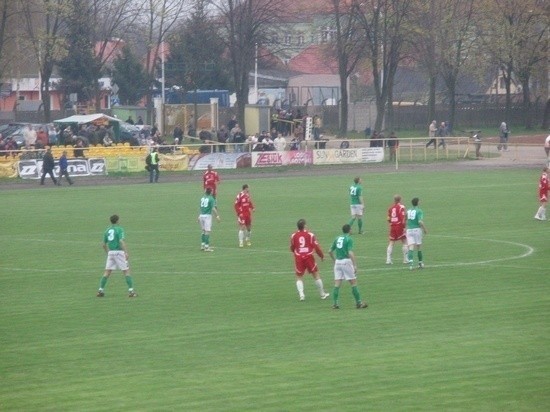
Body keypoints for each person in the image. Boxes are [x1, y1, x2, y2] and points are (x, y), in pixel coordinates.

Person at [329, 224, 368, 309]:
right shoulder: (348, 239)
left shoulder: (337, 238)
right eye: (351, 229)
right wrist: (354, 265)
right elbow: (350, 253)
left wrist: (334, 260)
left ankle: (335, 304)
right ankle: (359, 303)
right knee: (353, 283)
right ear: (349, 230)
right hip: (346, 262)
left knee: (337, 284)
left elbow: (330, 251)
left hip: (338, 263)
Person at [96, 215, 137, 298]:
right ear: (117, 221)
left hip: (111, 252)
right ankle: (131, 292)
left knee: (107, 272)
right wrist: (126, 252)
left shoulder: (107, 230)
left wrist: (108, 253)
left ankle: (100, 290)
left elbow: (103, 244)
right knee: (126, 271)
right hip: (119, 252)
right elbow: (121, 241)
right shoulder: (119, 229)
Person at [290, 219, 330, 301]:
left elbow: (292, 247)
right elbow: (317, 247)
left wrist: (296, 251)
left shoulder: (294, 235)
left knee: (299, 277)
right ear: (304, 226)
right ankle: (322, 294)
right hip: (308, 257)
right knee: (316, 275)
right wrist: (321, 256)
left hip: (299, 257)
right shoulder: (310, 235)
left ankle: (301, 295)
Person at [406, 197, 427, 270]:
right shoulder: (419, 211)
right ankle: (420, 263)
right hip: (417, 230)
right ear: (417, 202)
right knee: (419, 247)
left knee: (411, 247)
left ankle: (411, 265)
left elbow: (405, 219)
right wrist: (425, 229)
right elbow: (420, 222)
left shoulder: (408, 211)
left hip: (409, 230)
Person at [386, 195, 408, 265]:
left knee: (391, 243)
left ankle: (388, 260)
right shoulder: (401, 207)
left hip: (393, 226)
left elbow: (388, 218)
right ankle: (405, 259)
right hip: (399, 226)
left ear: (394, 200)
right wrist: (404, 227)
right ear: (400, 200)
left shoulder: (391, 208)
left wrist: (391, 223)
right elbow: (403, 218)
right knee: (404, 242)